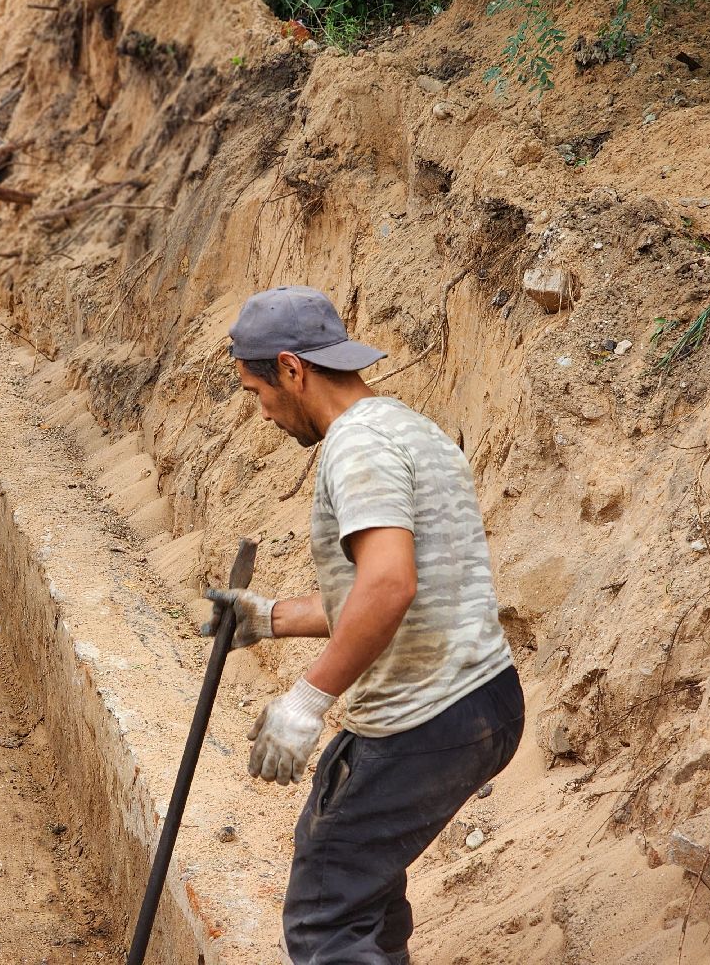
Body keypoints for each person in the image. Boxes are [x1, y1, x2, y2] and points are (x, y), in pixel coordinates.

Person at [205, 286, 524, 964]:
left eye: (255, 390)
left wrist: (306, 699)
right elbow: (394, 587)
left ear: (291, 369)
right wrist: (271, 618)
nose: (261, 412)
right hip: (477, 696)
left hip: (432, 711)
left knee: (326, 913)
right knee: (360, 888)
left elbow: (389, 585)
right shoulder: (405, 427)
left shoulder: (357, 448)